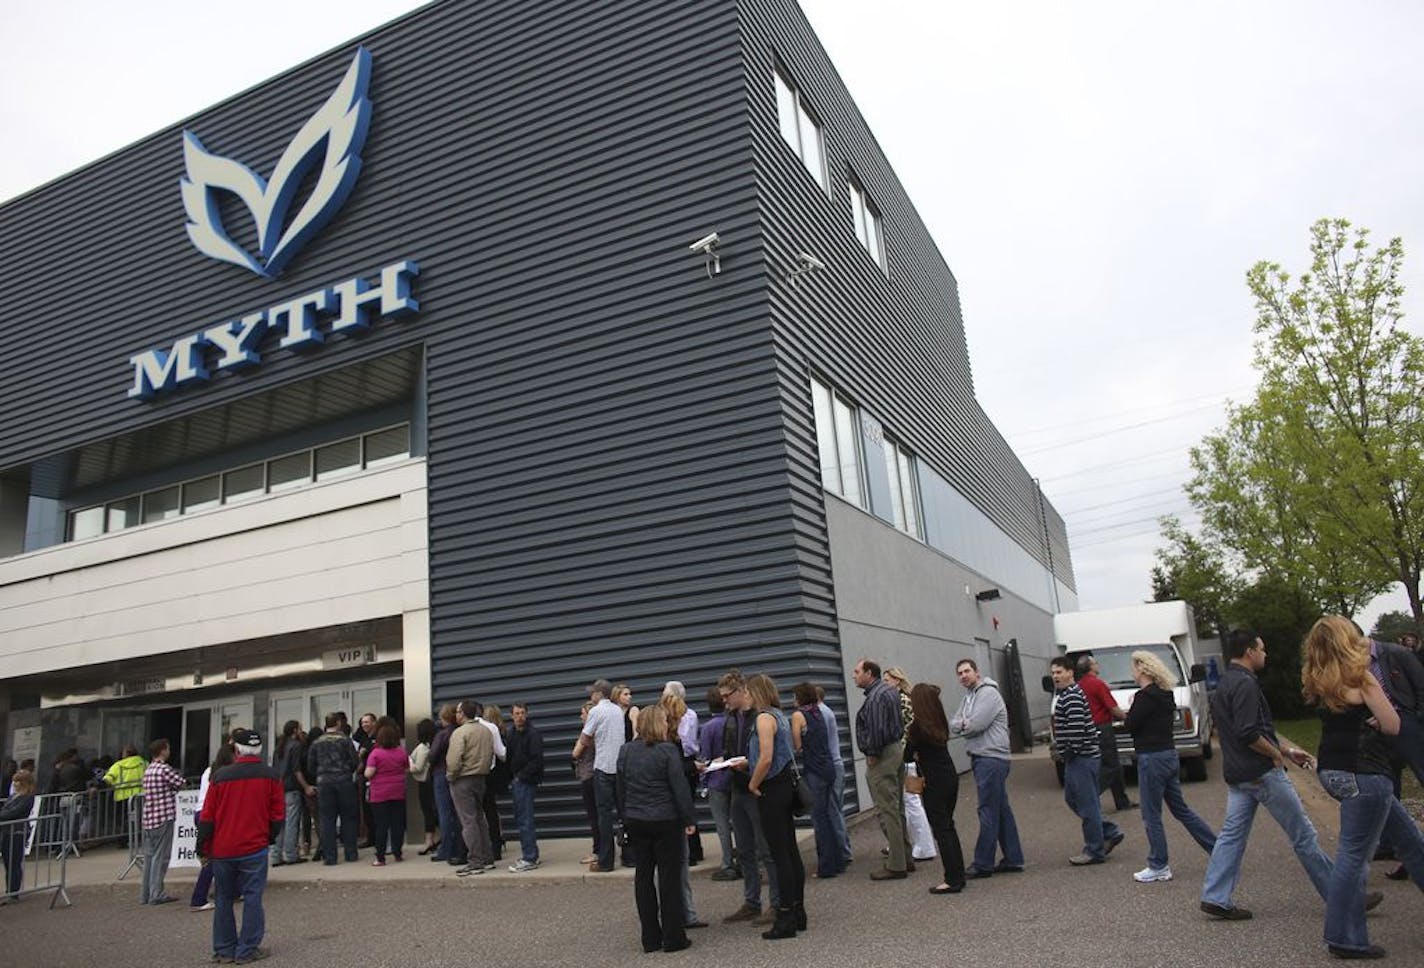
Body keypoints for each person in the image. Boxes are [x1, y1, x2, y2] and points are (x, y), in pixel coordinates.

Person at [1199, 629, 1380, 921]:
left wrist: (1285, 750)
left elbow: (1247, 729)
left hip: (1238, 775)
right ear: (1249, 652)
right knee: (1304, 836)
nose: (1264, 654)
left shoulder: (1225, 683)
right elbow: (1249, 733)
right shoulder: (1245, 685)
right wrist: (1274, 755)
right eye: (1262, 649)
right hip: (1262, 773)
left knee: (1231, 837)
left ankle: (1215, 896)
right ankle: (1345, 898)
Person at [1302, 616, 1424, 959]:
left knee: (1411, 842)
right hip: (1367, 774)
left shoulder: (1318, 681)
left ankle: (1343, 933)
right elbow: (1393, 724)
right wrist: (1376, 714)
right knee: (1354, 857)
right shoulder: (1362, 677)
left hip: (1333, 772)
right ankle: (1344, 937)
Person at [1124, 650, 1216, 883]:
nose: (1132, 672)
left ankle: (1159, 864)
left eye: (1134, 667)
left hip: (1151, 758)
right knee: (1181, 809)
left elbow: (1131, 725)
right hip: (1168, 754)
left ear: (1143, 669)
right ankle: (1217, 849)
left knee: (1151, 814)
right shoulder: (1166, 695)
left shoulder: (1143, 698)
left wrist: (1131, 705)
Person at [196, 727, 284, 966]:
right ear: (260, 749)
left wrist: (202, 845)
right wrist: (269, 837)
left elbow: (208, 815)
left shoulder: (220, 776)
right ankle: (247, 948)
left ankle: (224, 949)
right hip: (254, 846)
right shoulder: (271, 775)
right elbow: (277, 815)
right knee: (253, 897)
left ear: (236, 749)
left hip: (223, 848)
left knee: (223, 898)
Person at [616, 703, 695, 954]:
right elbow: (679, 788)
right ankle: (673, 937)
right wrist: (689, 819)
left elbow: (620, 788)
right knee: (669, 878)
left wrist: (625, 816)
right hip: (665, 819)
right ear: (658, 724)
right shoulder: (668, 751)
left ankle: (650, 938)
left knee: (643, 877)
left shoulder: (626, 751)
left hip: (636, 819)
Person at [949, 658, 1024, 877]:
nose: (963, 675)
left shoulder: (988, 694)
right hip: (983, 757)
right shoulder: (969, 696)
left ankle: (983, 864)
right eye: (960, 672)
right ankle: (1013, 858)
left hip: (991, 758)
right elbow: (955, 723)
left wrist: (965, 723)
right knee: (1001, 809)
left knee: (987, 810)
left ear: (977, 672)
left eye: (967, 671)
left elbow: (976, 725)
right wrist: (964, 723)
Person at [745, 673, 805, 940]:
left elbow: (766, 757)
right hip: (785, 786)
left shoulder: (763, 718)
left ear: (757, 693)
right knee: (790, 851)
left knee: (779, 854)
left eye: (747, 692)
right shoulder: (780, 716)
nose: (745, 696)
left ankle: (785, 917)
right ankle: (798, 911)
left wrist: (753, 783)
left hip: (771, 788)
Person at [718, 668, 778, 924]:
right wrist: (722, 761)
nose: (724, 700)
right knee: (744, 850)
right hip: (736, 787)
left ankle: (776, 903)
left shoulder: (761, 715)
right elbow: (730, 747)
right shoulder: (731, 718)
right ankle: (751, 901)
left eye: (727, 695)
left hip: (755, 787)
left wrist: (747, 764)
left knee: (766, 849)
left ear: (742, 691)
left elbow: (767, 754)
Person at [1050, 656, 1123, 866]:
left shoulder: (1071, 696)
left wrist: (1068, 752)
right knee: (1073, 799)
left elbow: (1076, 731)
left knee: (1086, 803)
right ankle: (1109, 831)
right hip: (1077, 758)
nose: (1056, 676)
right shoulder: (1066, 695)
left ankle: (1094, 849)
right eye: (1053, 672)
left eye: (1059, 672)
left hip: (1081, 757)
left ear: (1070, 672)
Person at [905, 683, 967, 895]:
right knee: (949, 827)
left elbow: (906, 755)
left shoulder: (916, 727)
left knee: (942, 830)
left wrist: (916, 754)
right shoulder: (939, 721)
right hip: (949, 776)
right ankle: (959, 874)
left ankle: (952, 879)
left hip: (933, 782)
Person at [855, 658, 912, 879]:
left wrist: (872, 753)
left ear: (869, 673)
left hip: (883, 754)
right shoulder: (887, 691)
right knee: (897, 808)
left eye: (857, 671)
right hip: (895, 750)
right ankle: (905, 857)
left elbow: (877, 729)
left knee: (886, 808)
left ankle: (897, 865)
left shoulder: (877, 696)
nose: (854, 675)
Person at [791, 681, 843, 879]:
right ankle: (838, 861)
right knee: (830, 815)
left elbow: (797, 743)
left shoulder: (798, 715)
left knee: (819, 818)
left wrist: (801, 746)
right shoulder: (819, 712)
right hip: (828, 766)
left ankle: (826, 866)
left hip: (814, 769)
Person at [884, 667, 936, 862]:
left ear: (897, 680)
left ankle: (924, 846)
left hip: (906, 757)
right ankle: (914, 843)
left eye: (888, 679)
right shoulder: (903, 698)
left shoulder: (901, 701)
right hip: (906, 755)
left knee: (911, 801)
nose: (885, 683)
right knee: (907, 802)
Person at [573, 679, 625, 873]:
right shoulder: (618, 711)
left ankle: (606, 861)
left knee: (604, 816)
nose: (591, 695)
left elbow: (585, 737)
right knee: (623, 813)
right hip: (619, 766)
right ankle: (629, 855)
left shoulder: (596, 711)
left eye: (592, 692)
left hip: (603, 766)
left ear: (599, 694)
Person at [1076, 655, 1135, 811]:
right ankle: (1091, 796)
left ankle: (1121, 801)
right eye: (1095, 663)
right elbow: (1112, 707)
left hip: (1088, 729)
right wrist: (1128, 719)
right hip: (1103, 727)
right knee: (1111, 766)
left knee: (1109, 765)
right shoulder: (1098, 684)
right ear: (1090, 667)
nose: (1098, 665)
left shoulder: (1079, 686)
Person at [446, 699, 495, 876]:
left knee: (468, 820)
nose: (456, 715)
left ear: (463, 714)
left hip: (463, 779)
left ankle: (475, 861)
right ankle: (487, 857)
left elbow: (453, 760)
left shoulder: (460, 733)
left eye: (458, 712)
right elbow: (491, 753)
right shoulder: (486, 731)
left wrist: (451, 776)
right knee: (480, 819)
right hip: (481, 778)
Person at [306, 713, 359, 865]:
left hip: (324, 783)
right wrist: (347, 770)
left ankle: (330, 857)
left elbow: (310, 766)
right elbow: (354, 760)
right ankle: (351, 854)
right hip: (344, 781)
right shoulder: (345, 740)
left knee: (327, 819)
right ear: (338, 723)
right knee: (348, 818)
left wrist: (320, 773)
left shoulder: (316, 742)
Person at [190, 742, 237, 912]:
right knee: (213, 858)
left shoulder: (209, 771)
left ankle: (226, 891)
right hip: (211, 814)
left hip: (201, 813)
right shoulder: (225, 773)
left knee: (218, 856)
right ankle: (199, 897)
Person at [698, 686, 739, 881]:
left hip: (716, 779)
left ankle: (728, 862)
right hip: (735, 776)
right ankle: (744, 859)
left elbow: (705, 755)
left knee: (722, 825)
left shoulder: (708, 728)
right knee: (740, 822)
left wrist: (703, 779)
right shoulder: (734, 721)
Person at [139, 738, 185, 905]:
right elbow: (181, 783)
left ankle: (145, 893)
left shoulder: (149, 770)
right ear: (163, 750)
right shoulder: (164, 769)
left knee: (150, 856)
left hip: (149, 818)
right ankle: (156, 893)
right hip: (163, 816)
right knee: (162, 857)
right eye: (168, 748)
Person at [661, 682, 702, 866]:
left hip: (683, 760)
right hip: (687, 760)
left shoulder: (682, 717)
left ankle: (691, 852)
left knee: (684, 806)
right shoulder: (687, 715)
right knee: (687, 805)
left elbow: (687, 742)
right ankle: (694, 849)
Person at [815, 684, 853, 867]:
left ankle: (843, 851)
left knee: (833, 811)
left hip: (830, 766)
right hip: (837, 764)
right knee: (836, 809)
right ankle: (843, 848)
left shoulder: (820, 713)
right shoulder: (828, 711)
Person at [506, 702, 544, 872]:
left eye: (522, 713)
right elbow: (509, 757)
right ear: (512, 715)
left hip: (526, 781)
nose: (520, 716)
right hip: (517, 780)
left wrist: (520, 777)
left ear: (526, 714)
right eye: (517, 713)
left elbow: (537, 760)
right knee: (522, 818)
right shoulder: (511, 733)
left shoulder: (533, 734)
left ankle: (529, 857)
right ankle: (531, 854)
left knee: (525, 820)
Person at [364, 721, 409, 866]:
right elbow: (407, 768)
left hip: (379, 794)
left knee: (381, 826)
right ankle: (397, 853)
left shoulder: (375, 753)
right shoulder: (401, 752)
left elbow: (368, 773)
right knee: (397, 824)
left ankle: (380, 857)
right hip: (398, 792)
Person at [428, 705, 462, 866]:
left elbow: (432, 755)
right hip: (457, 774)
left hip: (441, 773)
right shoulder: (459, 731)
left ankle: (446, 848)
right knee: (456, 813)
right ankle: (458, 847)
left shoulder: (442, 734)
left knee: (444, 813)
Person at [272, 720, 310, 868]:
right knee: (292, 823)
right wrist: (306, 786)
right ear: (295, 730)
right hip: (291, 788)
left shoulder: (279, 748)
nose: (301, 731)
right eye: (300, 729)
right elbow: (296, 770)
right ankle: (291, 854)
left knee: (279, 824)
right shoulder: (296, 746)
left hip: (278, 789)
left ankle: (276, 855)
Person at [1, 768, 36, 904]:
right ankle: (9, 890)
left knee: (14, 863)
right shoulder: (12, 796)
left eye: (17, 781)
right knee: (7, 862)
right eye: (14, 781)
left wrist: (3, 815)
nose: (14, 784)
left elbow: (14, 813)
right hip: (6, 832)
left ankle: (13, 893)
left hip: (17, 832)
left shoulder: (27, 798)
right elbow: (5, 810)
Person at [480, 704, 510, 862]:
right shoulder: (502, 731)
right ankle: (498, 839)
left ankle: (494, 843)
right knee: (493, 810)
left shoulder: (489, 731)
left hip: (490, 773)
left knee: (489, 811)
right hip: (499, 775)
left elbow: (501, 753)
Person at [574, 701, 600, 865]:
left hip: (589, 776)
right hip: (594, 775)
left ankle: (597, 851)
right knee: (598, 815)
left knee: (594, 816)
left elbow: (575, 753)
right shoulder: (599, 733)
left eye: (582, 713)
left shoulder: (588, 734)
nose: (580, 716)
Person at [409, 718, 439, 855]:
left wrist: (408, 761)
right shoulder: (434, 744)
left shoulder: (423, 748)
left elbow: (417, 768)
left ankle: (429, 841)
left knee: (428, 812)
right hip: (433, 781)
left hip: (425, 783)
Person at [352, 712, 377, 848]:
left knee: (375, 809)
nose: (364, 725)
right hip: (364, 777)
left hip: (375, 777)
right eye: (362, 723)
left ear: (374, 722)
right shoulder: (363, 739)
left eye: (367, 722)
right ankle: (370, 837)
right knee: (366, 809)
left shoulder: (378, 738)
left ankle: (377, 837)